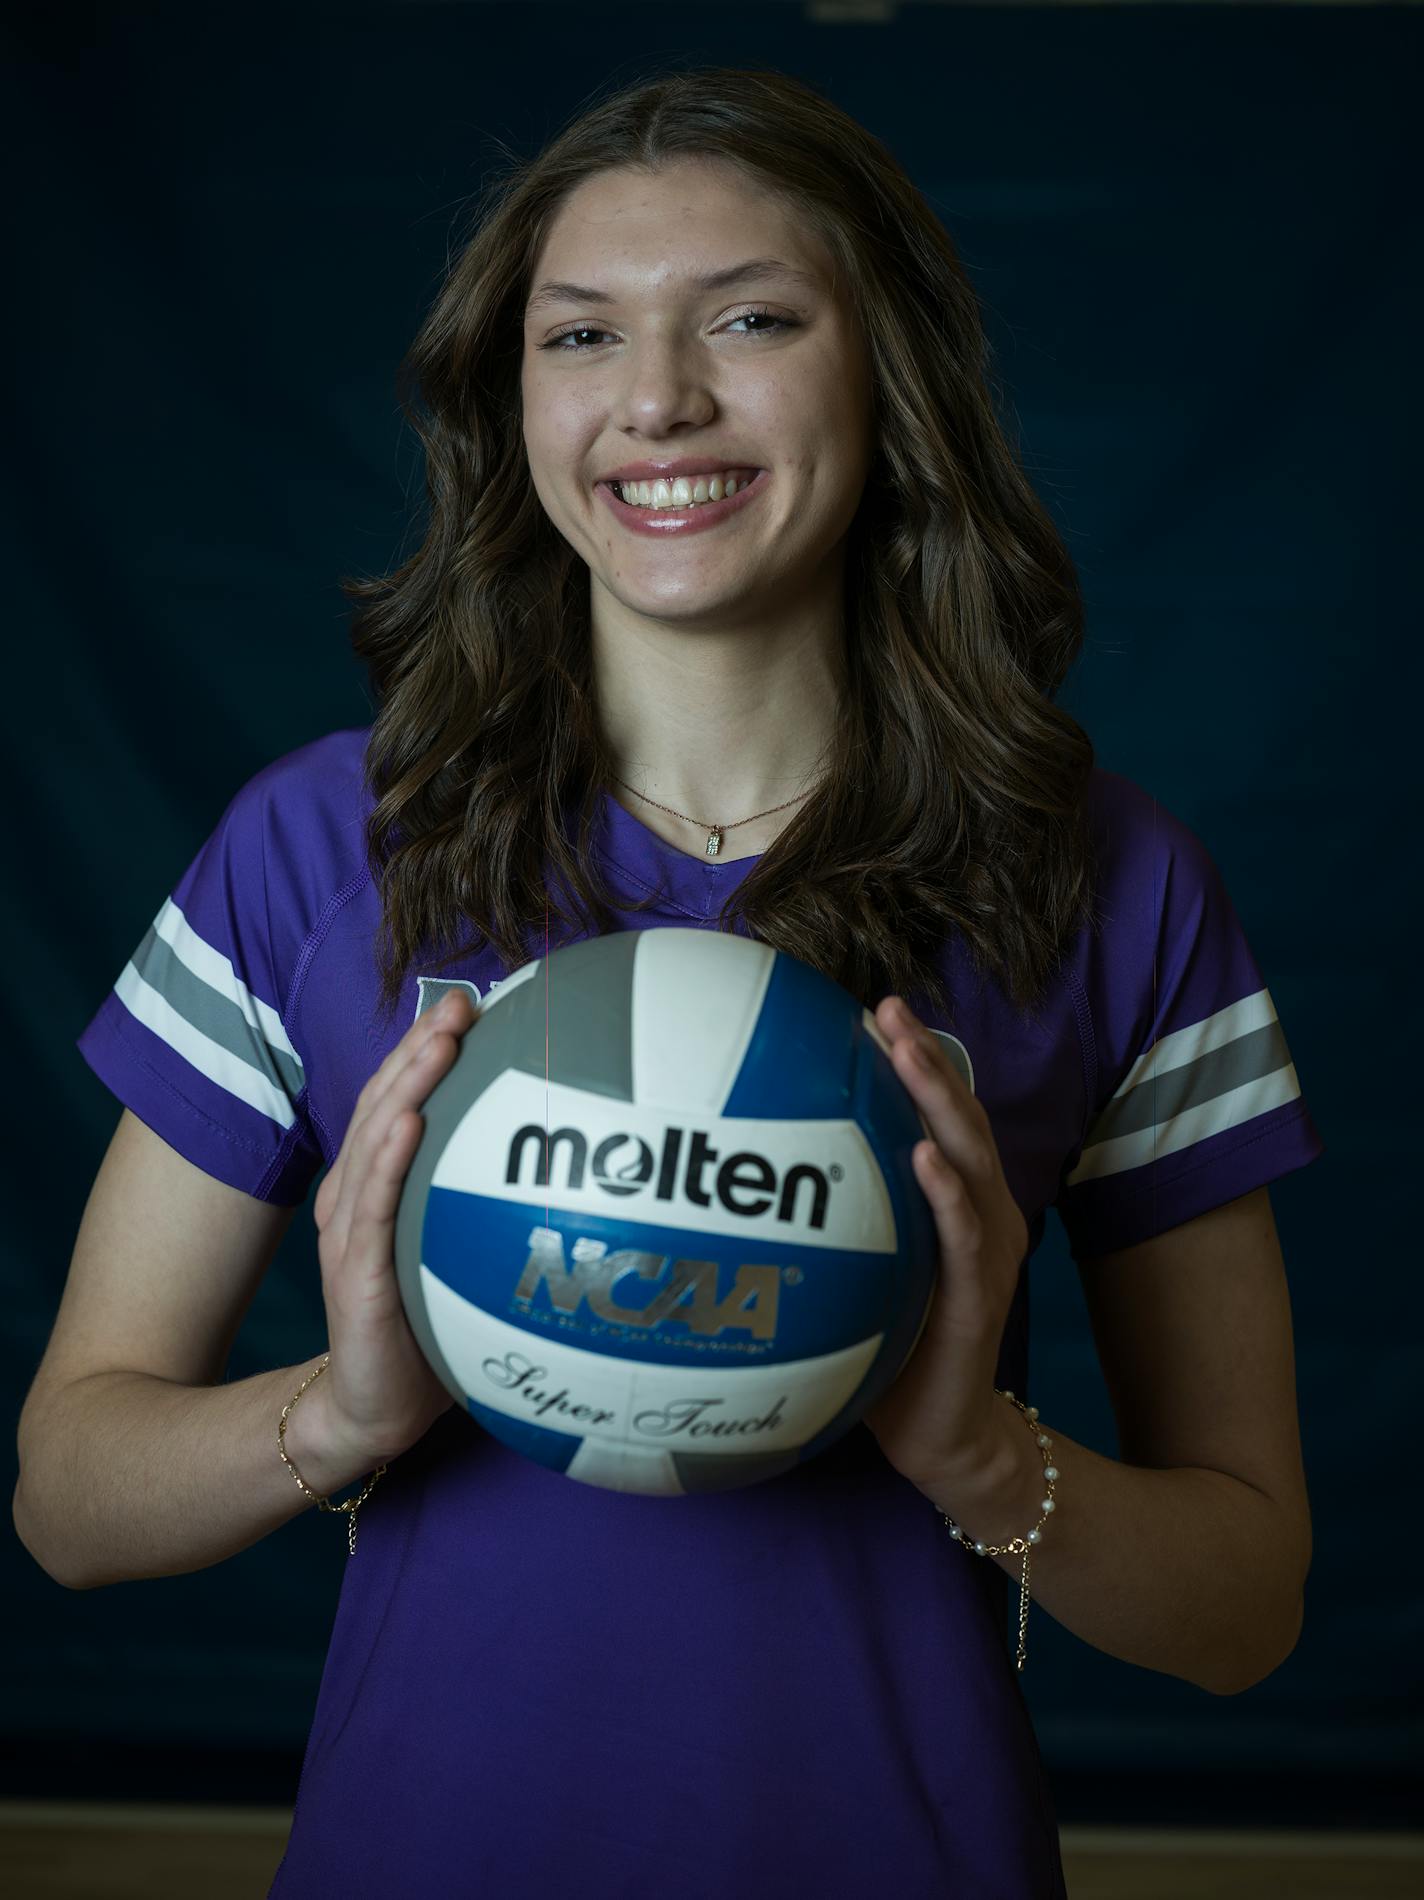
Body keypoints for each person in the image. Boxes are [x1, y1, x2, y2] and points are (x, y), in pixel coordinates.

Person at [14, 66, 1323, 1899]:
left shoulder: (1104, 879)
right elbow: (68, 1501)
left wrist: (973, 1453)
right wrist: (348, 1413)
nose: (657, 402)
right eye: (580, 336)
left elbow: (1246, 1605)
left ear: (894, 376)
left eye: (754, 320)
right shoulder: (319, 850)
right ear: (513, 400)